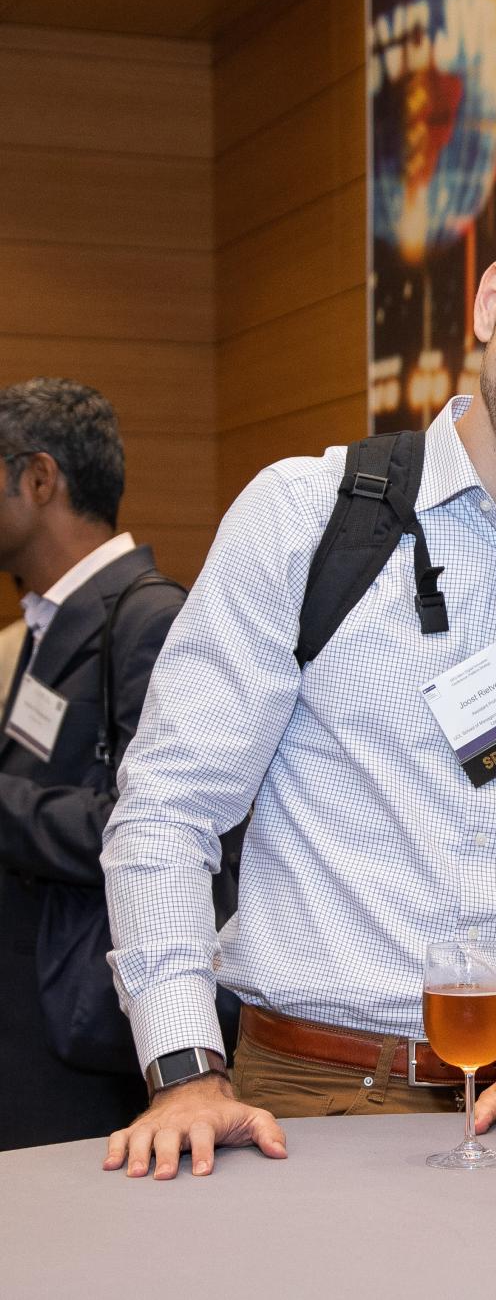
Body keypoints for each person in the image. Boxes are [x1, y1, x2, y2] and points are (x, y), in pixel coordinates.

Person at [102, 183, 496, 1179]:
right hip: (304, 1102)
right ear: (486, 304)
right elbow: (169, 809)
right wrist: (182, 1065)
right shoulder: (305, 520)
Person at [0, 378, 185, 1150]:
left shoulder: (148, 619)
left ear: (39, 479)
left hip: (75, 1028)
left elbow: (143, 824)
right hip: (31, 1014)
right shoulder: (47, 619)